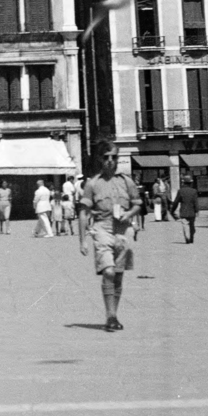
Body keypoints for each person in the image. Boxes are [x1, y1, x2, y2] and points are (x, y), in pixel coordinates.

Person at [78, 142, 141, 332]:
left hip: (123, 230)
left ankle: (114, 315)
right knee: (109, 272)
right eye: (106, 157)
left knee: (119, 275)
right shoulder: (93, 184)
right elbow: (83, 212)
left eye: (113, 157)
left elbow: (138, 203)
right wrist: (82, 240)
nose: (110, 161)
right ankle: (110, 315)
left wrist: (129, 215)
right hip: (102, 229)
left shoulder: (126, 181)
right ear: (100, 159)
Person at [173, 176, 199, 244]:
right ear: (190, 183)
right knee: (192, 225)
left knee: (185, 225)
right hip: (192, 212)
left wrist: (172, 210)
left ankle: (187, 237)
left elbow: (176, 202)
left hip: (183, 211)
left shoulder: (180, 191)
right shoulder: (194, 191)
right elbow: (195, 202)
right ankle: (191, 238)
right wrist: (197, 210)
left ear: (183, 183)